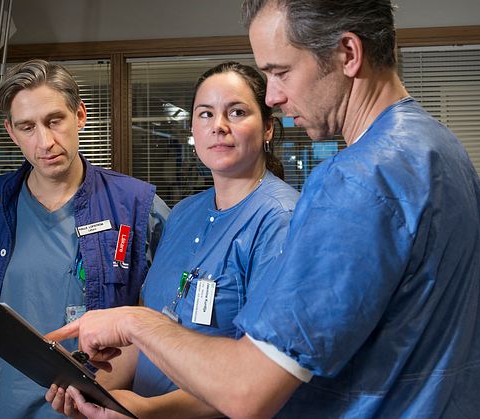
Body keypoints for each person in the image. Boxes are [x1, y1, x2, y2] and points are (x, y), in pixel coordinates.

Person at [45, 1, 480, 417]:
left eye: (280, 72)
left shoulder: (355, 180)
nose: (273, 94)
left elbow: (246, 392)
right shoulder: (443, 150)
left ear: (347, 54)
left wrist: (134, 322)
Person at [46, 61, 300, 418]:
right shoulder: (183, 214)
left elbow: (262, 379)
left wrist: (149, 411)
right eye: (206, 114)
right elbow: (149, 333)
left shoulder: (280, 220)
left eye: (237, 112)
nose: (219, 127)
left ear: (268, 128)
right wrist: (95, 390)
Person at [0, 59, 170, 419]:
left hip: (90, 407)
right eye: (27, 127)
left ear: (80, 115)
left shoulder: (136, 206)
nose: (45, 142)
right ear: (11, 132)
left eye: (54, 120)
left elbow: (164, 323)